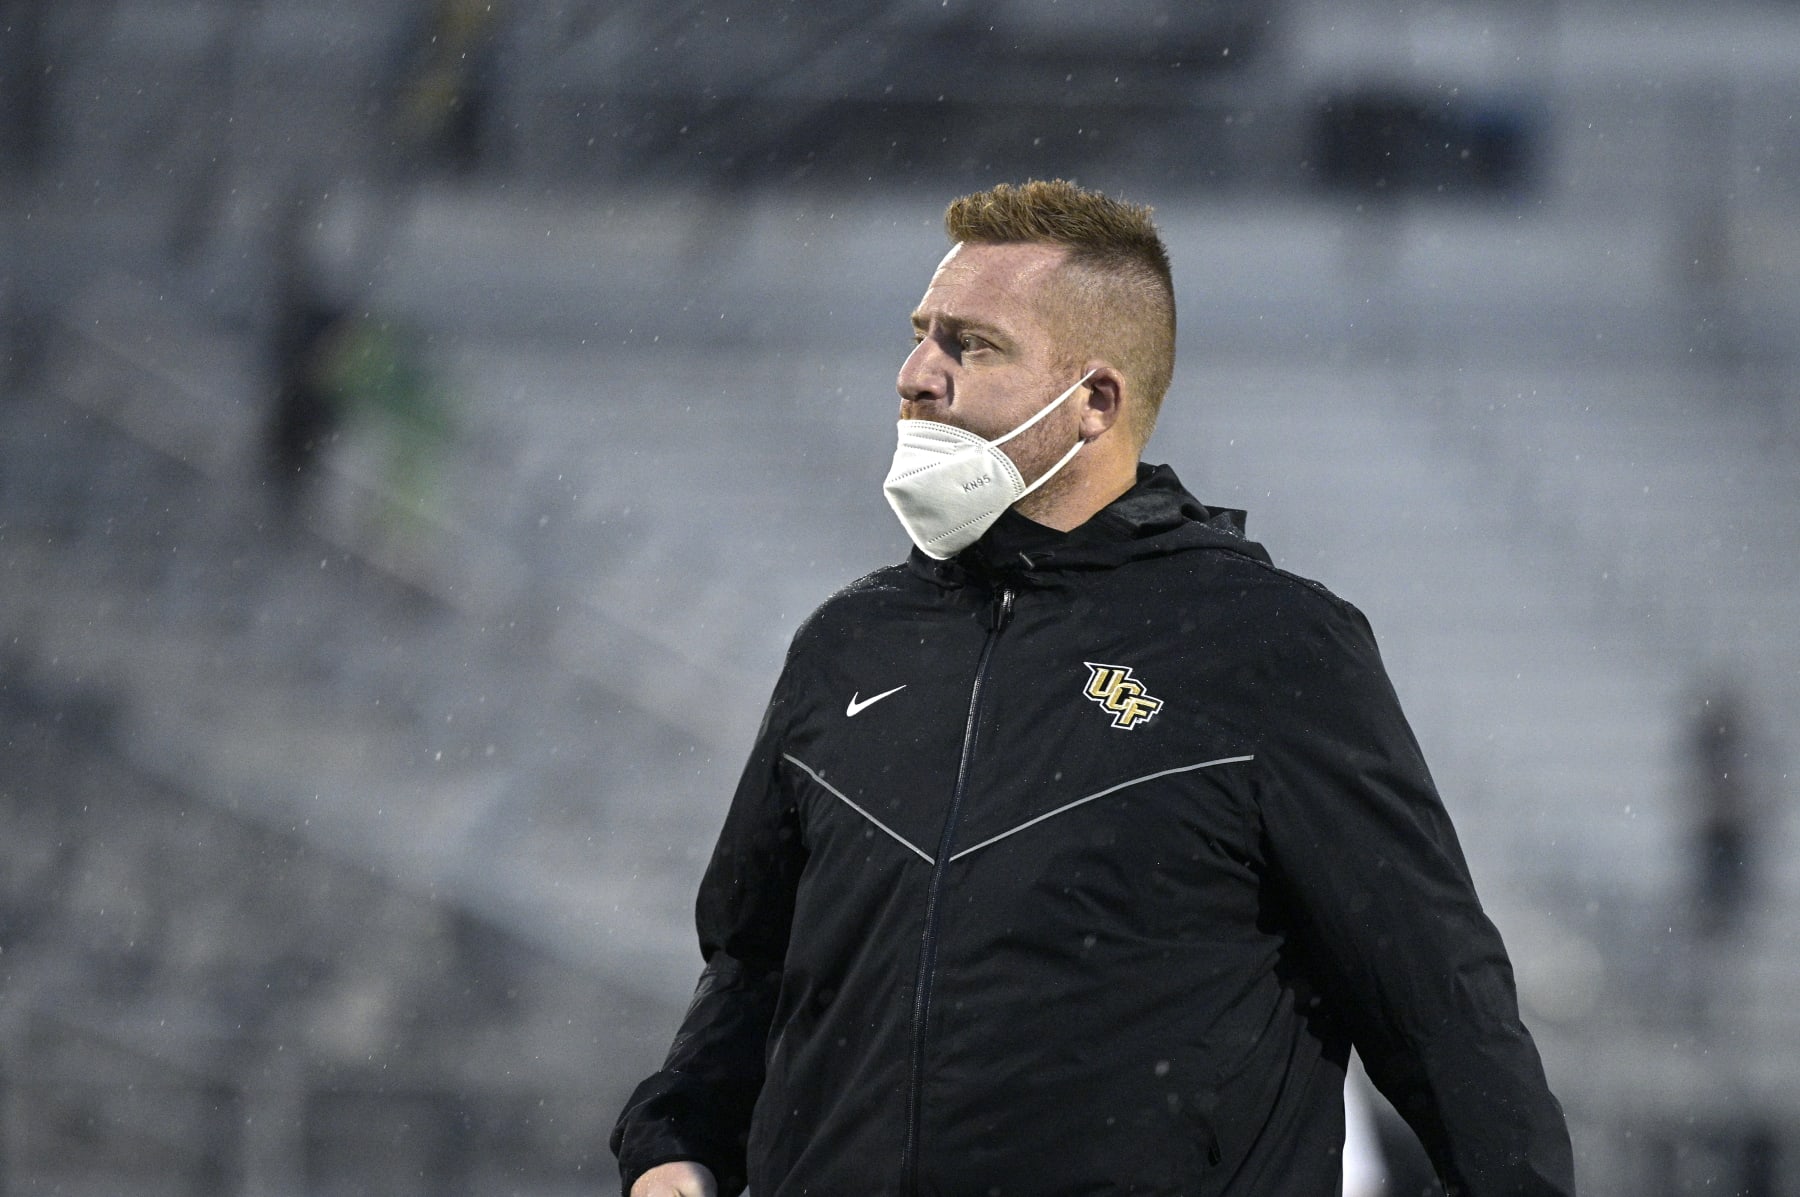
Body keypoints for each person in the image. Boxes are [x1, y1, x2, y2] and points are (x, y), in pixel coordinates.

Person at [611, 180, 1575, 1196]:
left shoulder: (1272, 647)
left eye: (969, 345)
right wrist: (677, 1136)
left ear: (1095, 402)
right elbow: (756, 967)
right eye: (920, 335)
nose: (914, 375)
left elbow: (1441, 1011)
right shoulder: (847, 643)